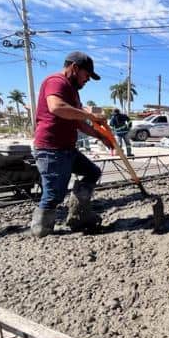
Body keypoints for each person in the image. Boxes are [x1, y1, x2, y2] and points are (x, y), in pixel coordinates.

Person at [30, 51, 112, 237]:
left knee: (92, 172)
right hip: (51, 148)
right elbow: (56, 107)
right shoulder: (56, 81)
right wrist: (91, 115)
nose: (87, 80)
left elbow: (78, 122)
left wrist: (100, 136)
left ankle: (78, 214)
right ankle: (41, 231)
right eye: (87, 75)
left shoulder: (72, 90)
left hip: (67, 148)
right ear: (75, 68)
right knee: (53, 195)